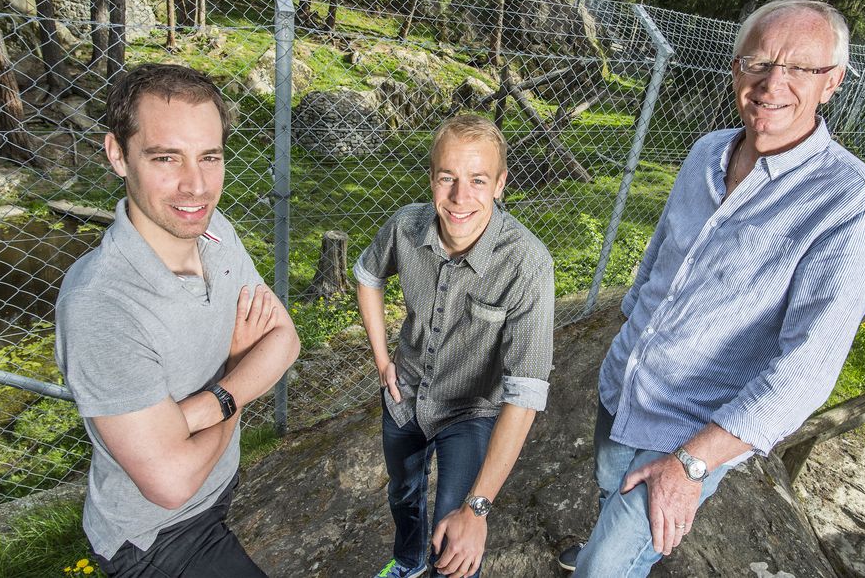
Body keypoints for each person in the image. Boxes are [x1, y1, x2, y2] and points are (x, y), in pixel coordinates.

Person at [558, 0, 865, 576]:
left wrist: (691, 466)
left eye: (799, 69)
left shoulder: (850, 199)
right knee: (609, 487)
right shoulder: (707, 151)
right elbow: (660, 253)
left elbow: (808, 367)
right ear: (736, 69)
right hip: (625, 386)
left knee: (605, 569)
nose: (771, 84)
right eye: (756, 62)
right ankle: (602, 541)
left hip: (691, 430)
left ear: (832, 82)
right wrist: (631, 327)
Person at [55, 63, 300, 577]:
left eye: (210, 157)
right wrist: (235, 382)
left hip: (220, 479)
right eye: (167, 158)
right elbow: (171, 483)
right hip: (158, 536)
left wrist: (188, 420)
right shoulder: (101, 303)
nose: (196, 187)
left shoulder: (215, 232)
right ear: (117, 155)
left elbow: (285, 339)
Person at [355, 114, 555, 578]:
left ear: (501, 183)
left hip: (470, 411)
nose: (460, 197)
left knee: (457, 533)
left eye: (478, 180)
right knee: (402, 492)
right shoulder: (406, 226)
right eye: (448, 178)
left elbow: (524, 395)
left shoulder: (528, 264)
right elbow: (368, 276)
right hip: (404, 397)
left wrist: (478, 508)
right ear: (432, 179)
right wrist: (383, 359)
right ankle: (408, 562)